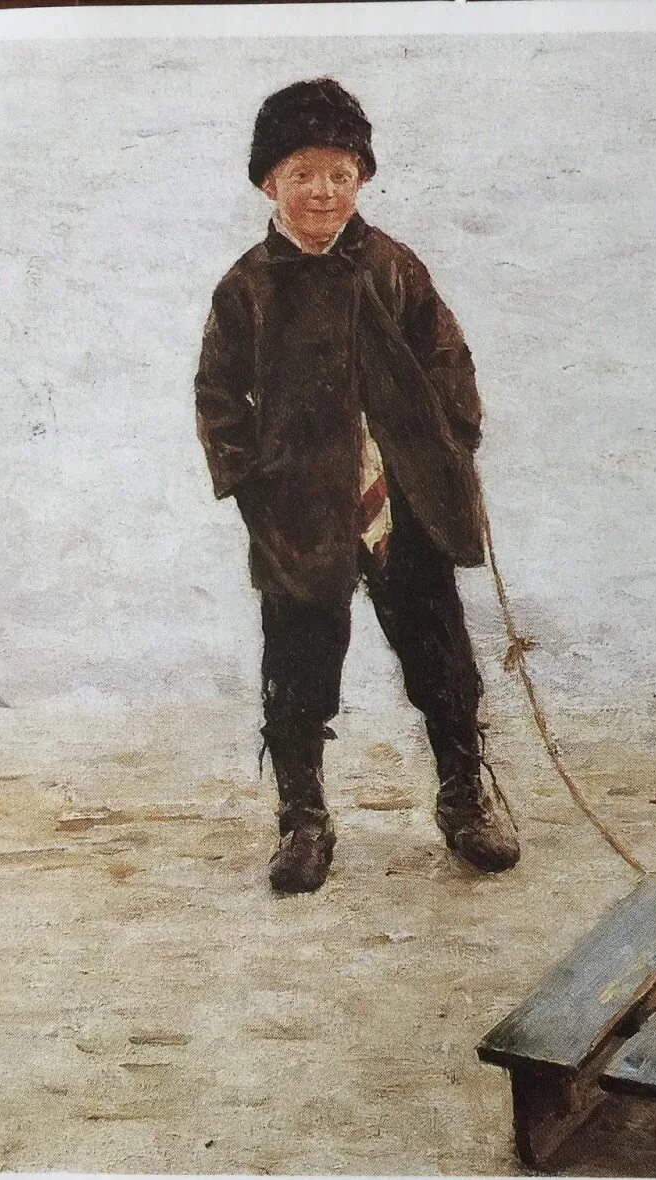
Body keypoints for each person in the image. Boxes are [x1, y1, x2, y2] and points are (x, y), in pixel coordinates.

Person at [194, 77, 521, 893]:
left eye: (341, 174)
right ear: (269, 181)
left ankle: (463, 799)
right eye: (303, 173)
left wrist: (449, 450)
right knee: (300, 667)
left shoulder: (392, 267)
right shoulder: (248, 288)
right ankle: (303, 819)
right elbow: (217, 396)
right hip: (303, 513)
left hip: (401, 503)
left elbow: (450, 362)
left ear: (363, 180)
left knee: (440, 656)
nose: (323, 192)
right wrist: (254, 489)